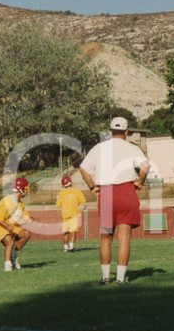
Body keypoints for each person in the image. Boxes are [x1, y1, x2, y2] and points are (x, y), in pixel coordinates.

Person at [79, 117, 149, 285]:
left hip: (106, 193)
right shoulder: (132, 148)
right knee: (124, 237)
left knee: (106, 237)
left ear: (110, 131)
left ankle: (105, 277)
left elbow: (83, 168)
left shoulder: (99, 148)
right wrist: (139, 182)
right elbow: (146, 166)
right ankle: (120, 278)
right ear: (126, 133)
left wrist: (92, 187)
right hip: (126, 191)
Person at [0, 177, 34, 272]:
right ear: (21, 189)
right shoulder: (6, 201)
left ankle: (14, 255)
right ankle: (8, 265)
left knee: (26, 234)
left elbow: (23, 218)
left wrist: (28, 220)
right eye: (25, 189)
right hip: (1, 227)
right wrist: (8, 227)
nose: (26, 191)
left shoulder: (20, 204)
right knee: (10, 241)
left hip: (12, 227)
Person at [55, 175, 86, 253]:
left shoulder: (61, 193)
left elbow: (58, 205)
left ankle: (65, 247)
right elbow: (83, 201)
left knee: (66, 231)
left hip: (65, 214)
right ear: (71, 182)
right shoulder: (77, 191)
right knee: (73, 231)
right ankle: (71, 246)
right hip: (74, 213)